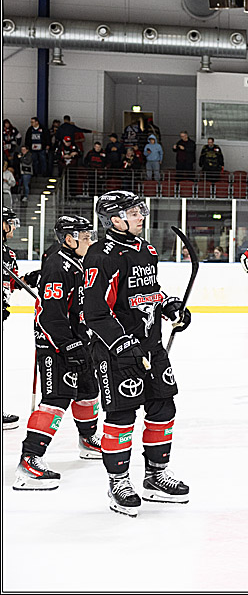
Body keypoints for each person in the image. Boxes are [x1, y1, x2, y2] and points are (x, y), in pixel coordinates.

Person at [83, 191, 191, 516]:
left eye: (140, 210)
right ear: (115, 220)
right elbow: (95, 311)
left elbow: (148, 291)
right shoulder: (100, 255)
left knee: (163, 405)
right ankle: (118, 481)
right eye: (133, 212)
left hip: (150, 346)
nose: (141, 216)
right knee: (122, 414)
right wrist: (121, 343)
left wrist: (169, 306)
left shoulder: (147, 250)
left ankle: (156, 475)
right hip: (116, 351)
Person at [13, 216, 103, 489]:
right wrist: (67, 344)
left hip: (80, 338)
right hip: (55, 344)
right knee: (57, 398)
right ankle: (30, 459)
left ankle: (87, 440)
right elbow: (50, 316)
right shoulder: (56, 265)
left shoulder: (81, 261)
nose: (90, 241)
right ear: (68, 239)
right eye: (84, 237)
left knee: (88, 390)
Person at [3, 208, 23, 429]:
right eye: (10, 222)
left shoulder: (8, 253)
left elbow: (14, 282)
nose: (14, 227)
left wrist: (36, 278)